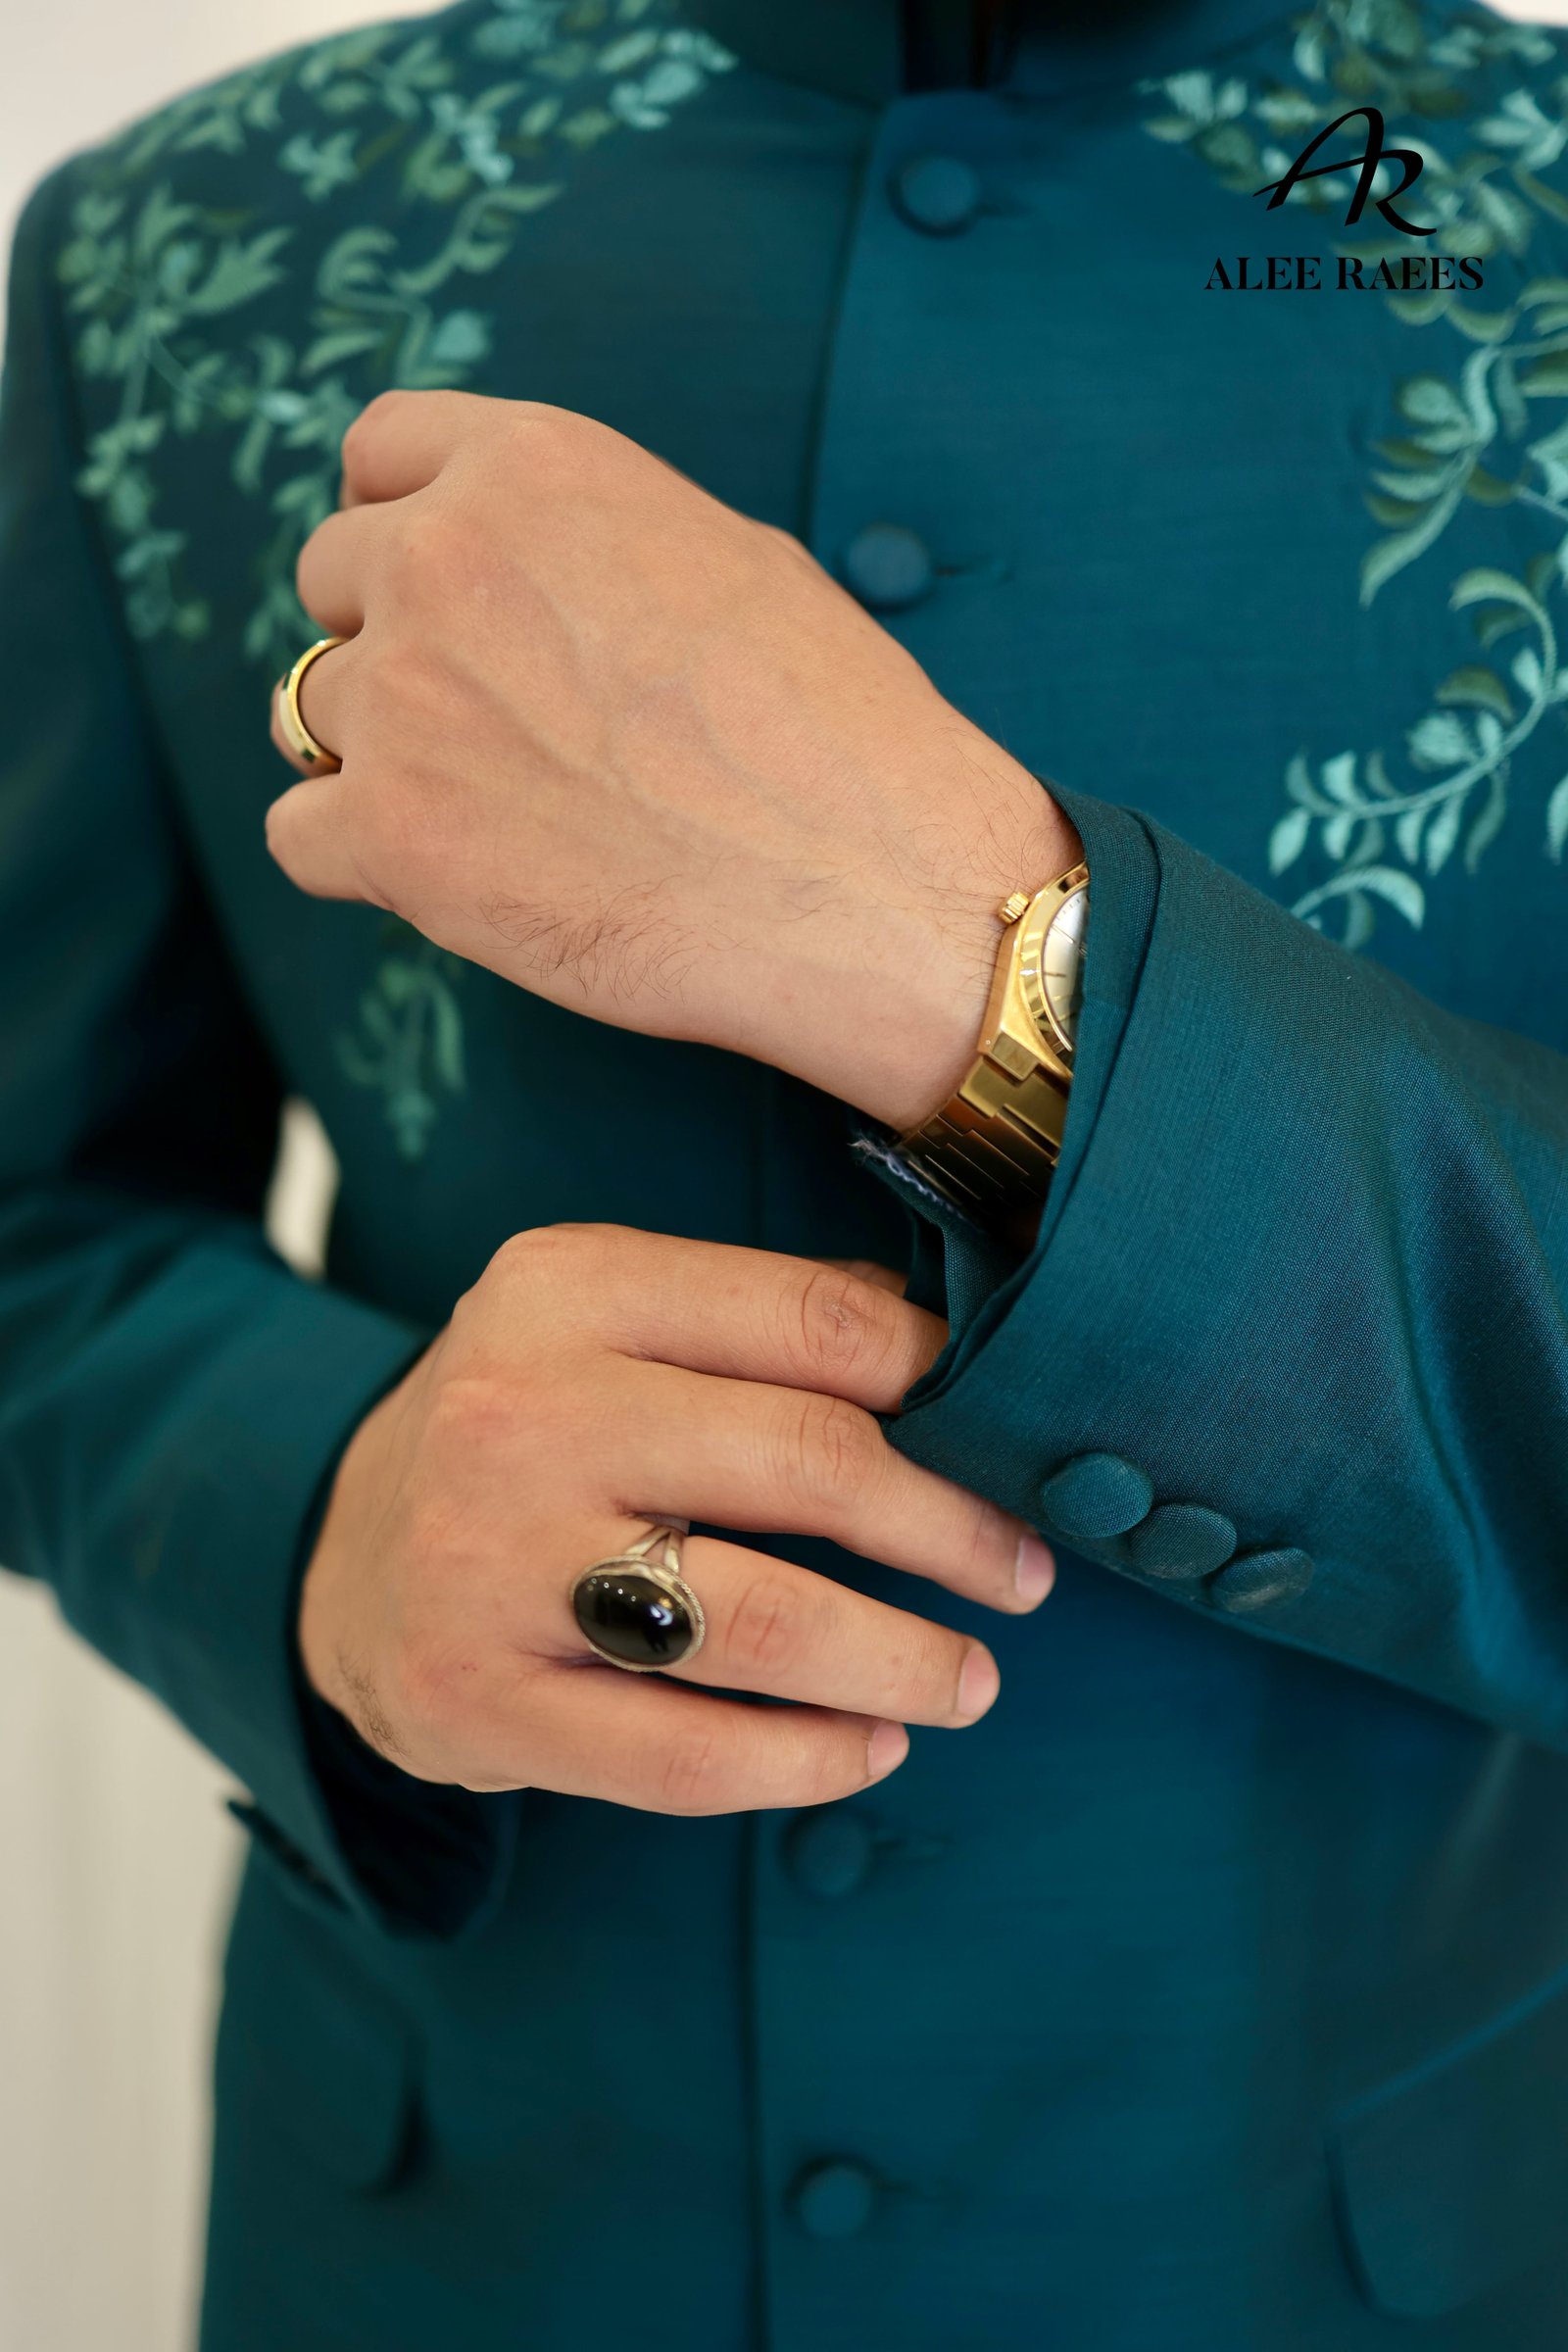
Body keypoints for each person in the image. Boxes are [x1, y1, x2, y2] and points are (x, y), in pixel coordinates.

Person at [3, 0, 1567, 2343]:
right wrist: (311, 1507)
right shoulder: (176, 246)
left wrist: (964, 952)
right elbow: (32, 1222)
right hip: (455, 2248)